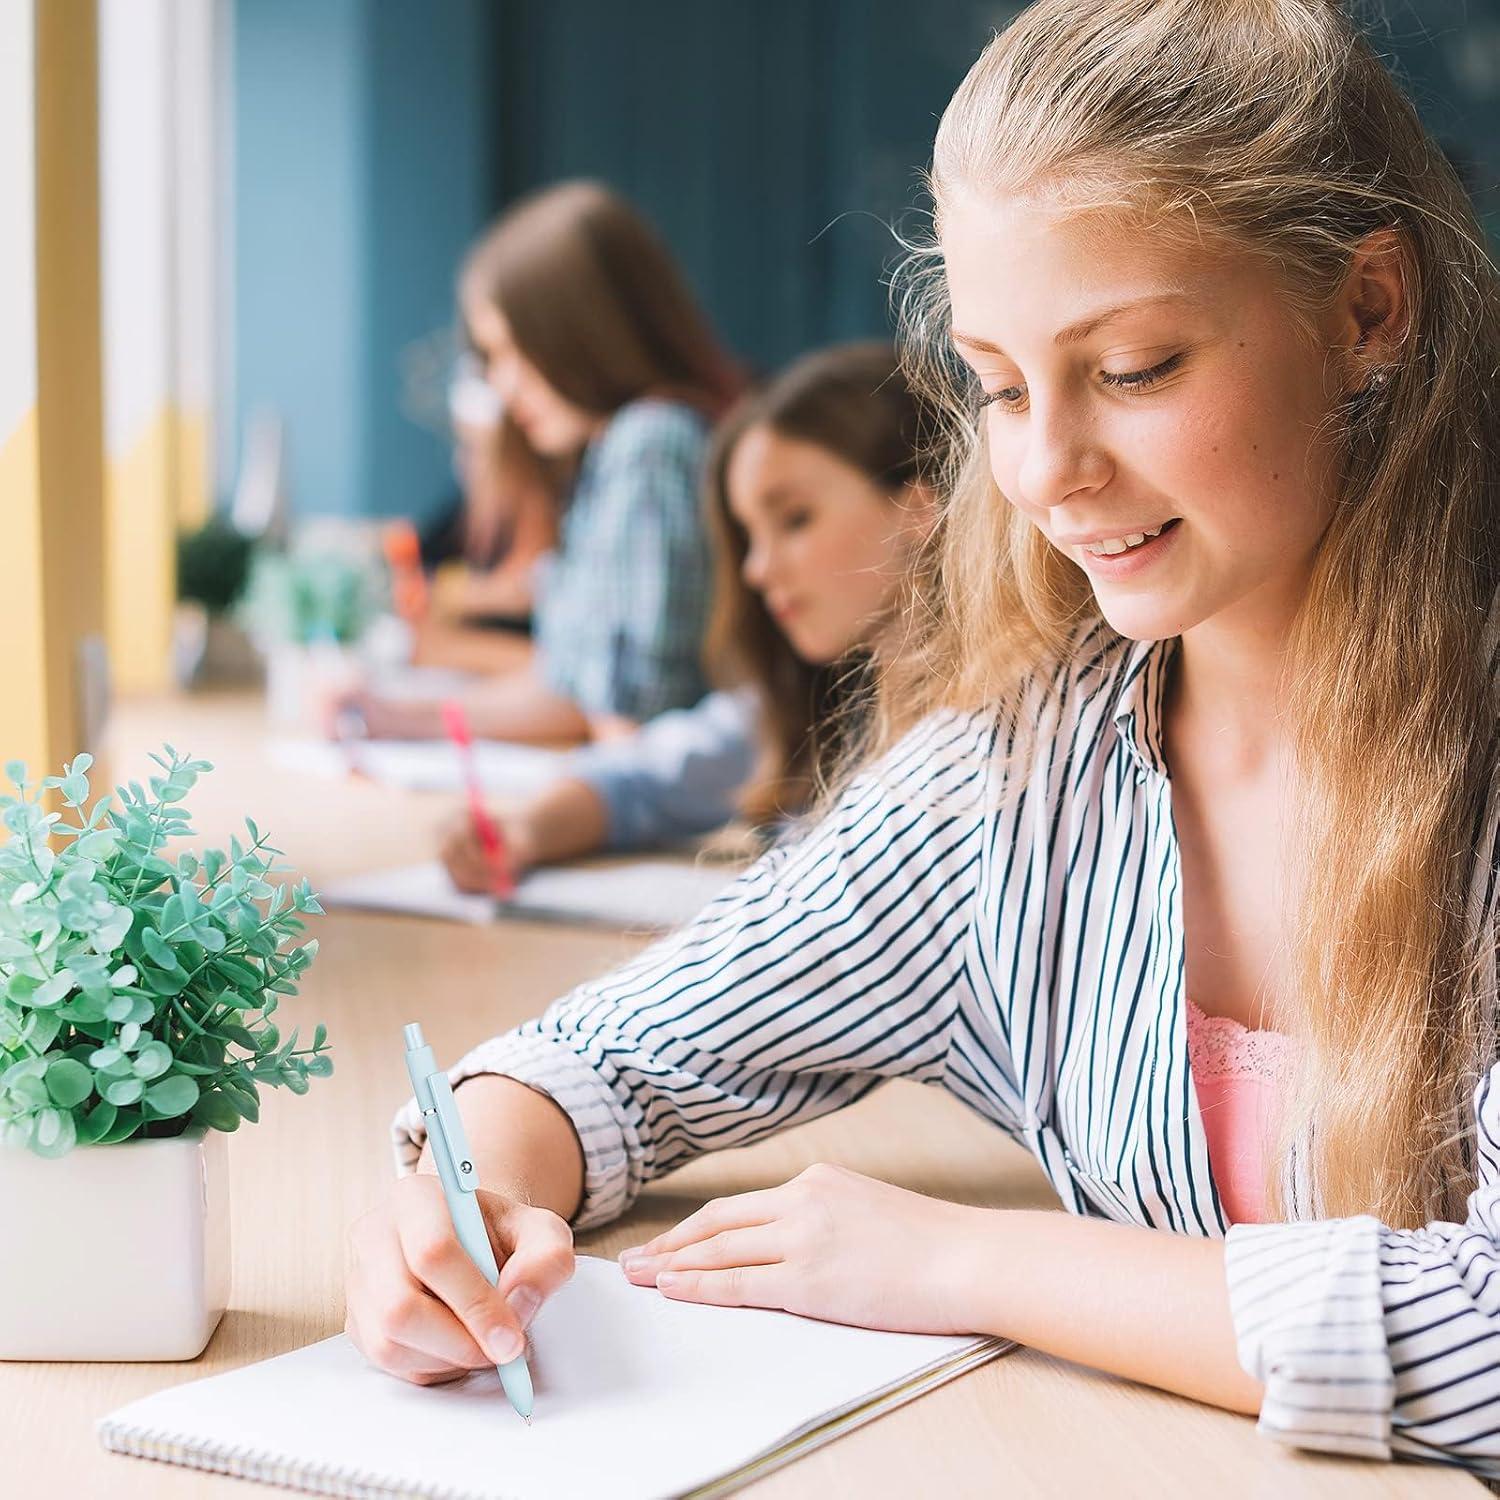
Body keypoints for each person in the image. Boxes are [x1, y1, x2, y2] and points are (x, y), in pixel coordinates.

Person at [344, 0, 1500, 1481]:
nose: (1045, 470)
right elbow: (606, 1060)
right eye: (1001, 385)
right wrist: (459, 1191)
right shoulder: (1023, 781)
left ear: (1369, 311)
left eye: (1137, 367)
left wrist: (966, 1265)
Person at [437, 341, 938, 885]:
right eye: (749, 535)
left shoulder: (980, 745)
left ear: (916, 511)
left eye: (795, 520)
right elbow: (646, 776)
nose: (757, 570)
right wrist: (524, 830)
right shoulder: (815, 702)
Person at [342, 180, 742, 743]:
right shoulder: (617, 450)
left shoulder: (652, 445)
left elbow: (631, 718)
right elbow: (574, 689)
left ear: (581, 334)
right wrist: (392, 719)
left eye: (511, 351)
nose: (503, 386)